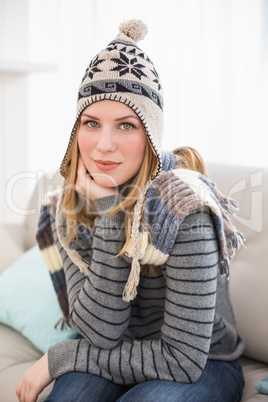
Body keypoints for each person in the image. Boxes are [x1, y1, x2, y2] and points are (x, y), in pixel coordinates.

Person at [16, 19, 245, 402]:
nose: (104, 145)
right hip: (112, 348)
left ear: (150, 136)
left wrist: (62, 356)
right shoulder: (67, 207)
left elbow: (182, 360)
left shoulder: (184, 206)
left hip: (204, 362)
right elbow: (100, 332)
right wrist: (109, 212)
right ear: (77, 131)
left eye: (126, 125)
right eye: (91, 123)